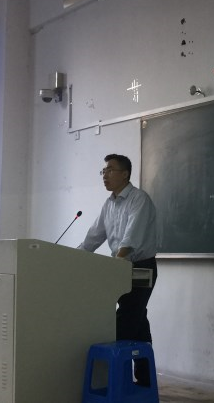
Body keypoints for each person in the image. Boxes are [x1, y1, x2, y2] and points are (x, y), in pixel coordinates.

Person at [78, 153, 157, 386]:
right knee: (138, 322)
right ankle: (145, 380)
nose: (105, 175)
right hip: (119, 269)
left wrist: (116, 263)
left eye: (110, 170)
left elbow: (130, 240)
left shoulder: (139, 199)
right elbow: (93, 238)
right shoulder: (109, 204)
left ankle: (113, 383)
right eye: (103, 171)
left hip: (140, 268)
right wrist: (72, 258)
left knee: (123, 323)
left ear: (125, 174)